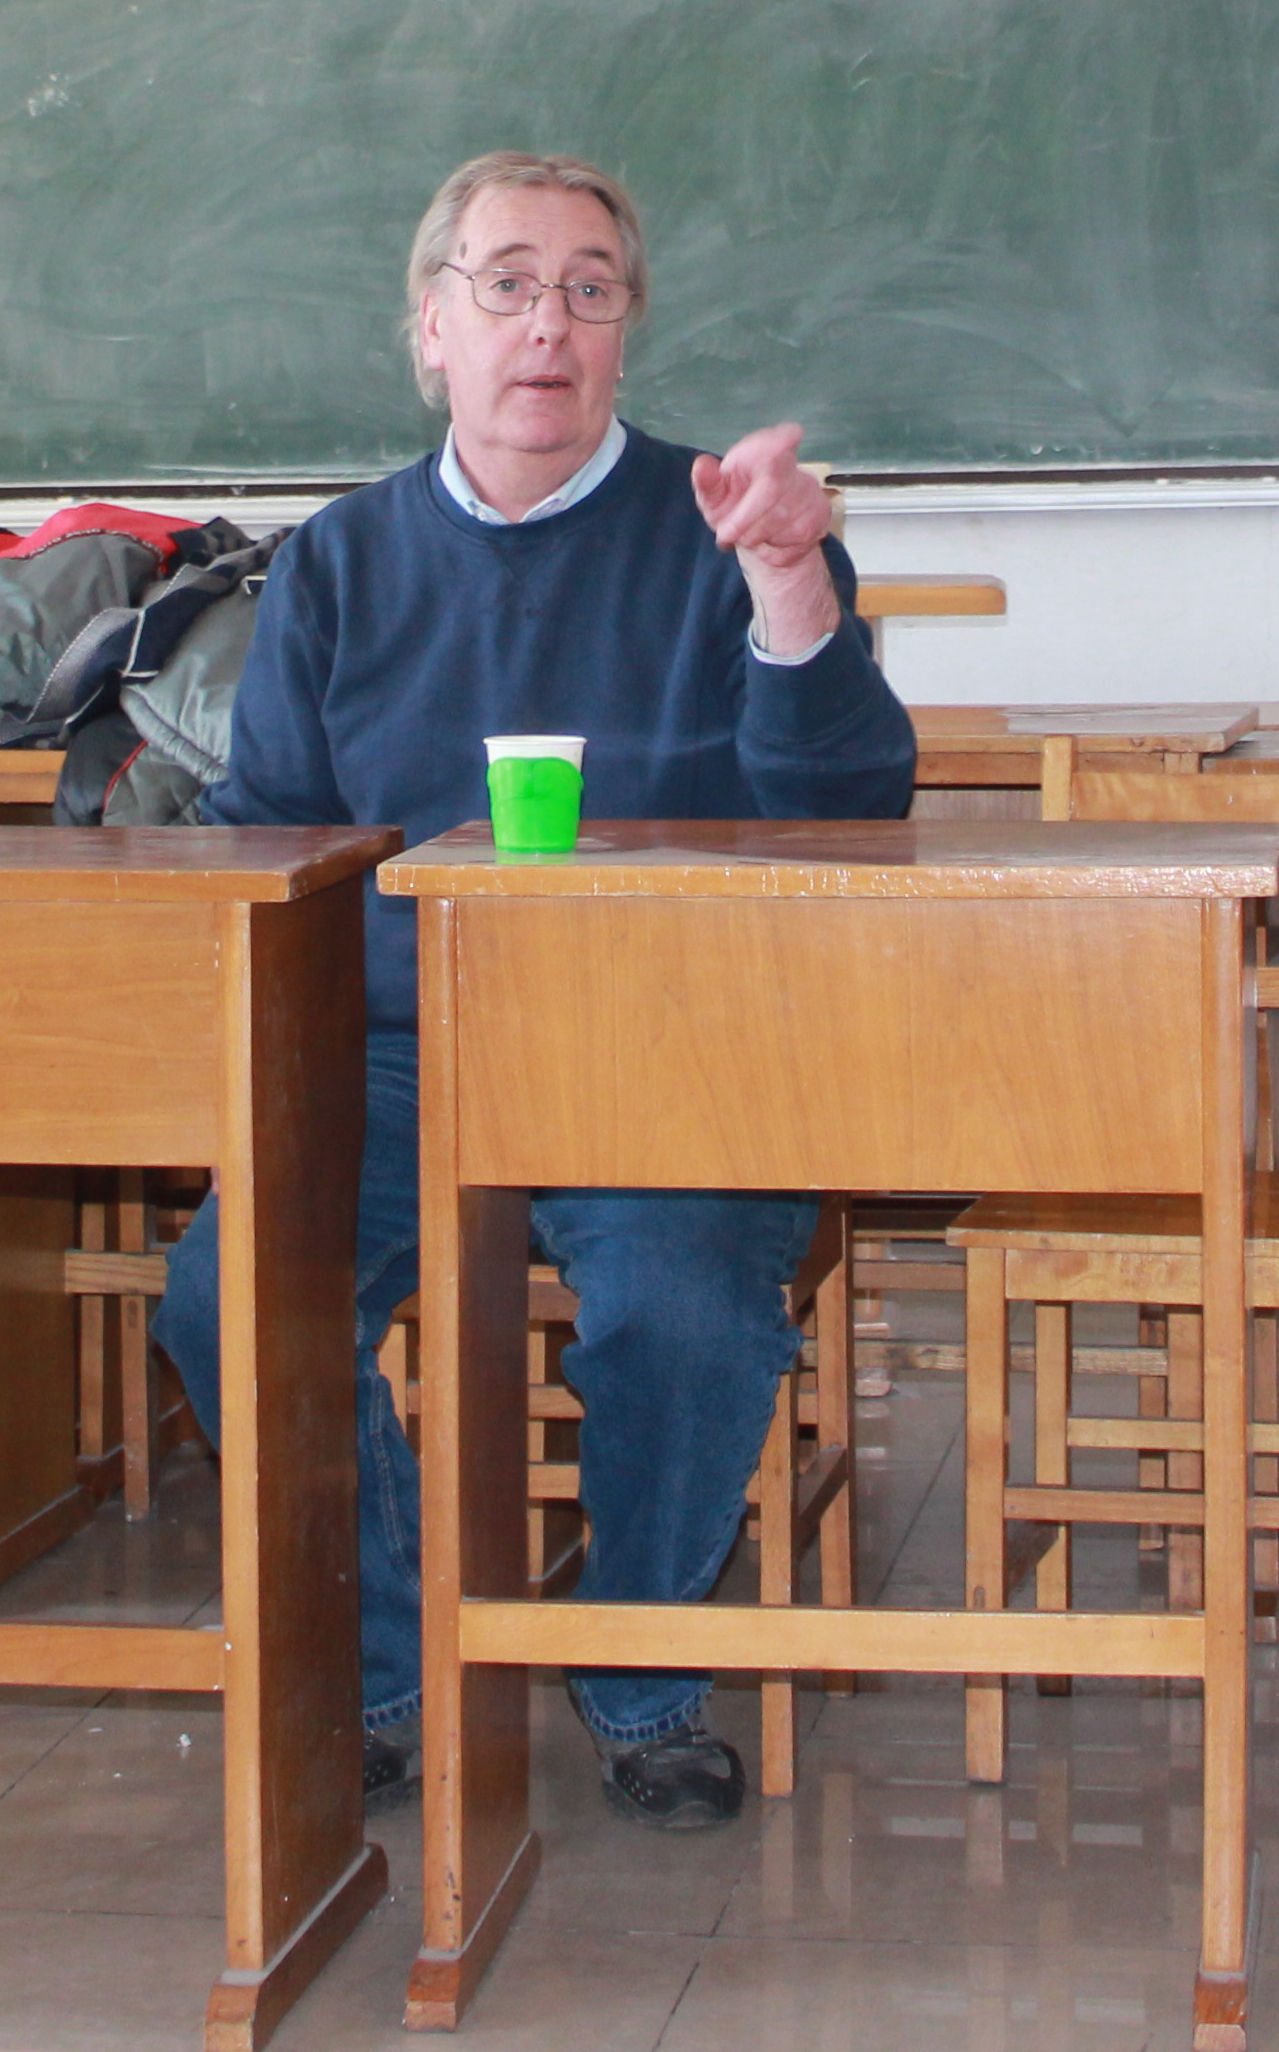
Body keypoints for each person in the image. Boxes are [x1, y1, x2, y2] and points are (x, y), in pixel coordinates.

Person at [156, 149, 918, 1832]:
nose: (548, 325)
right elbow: (268, 837)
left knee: (684, 1315)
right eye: (506, 285)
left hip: (668, 1048)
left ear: (627, 330)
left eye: (590, 289)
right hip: (400, 1050)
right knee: (227, 1293)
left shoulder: (725, 530)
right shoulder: (340, 562)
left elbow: (849, 808)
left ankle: (639, 1681)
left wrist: (790, 582)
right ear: (431, 329)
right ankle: (388, 1669)